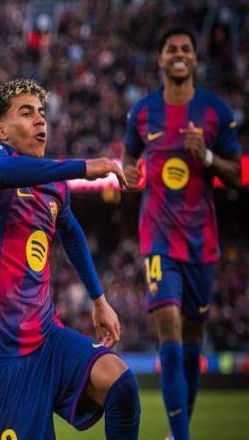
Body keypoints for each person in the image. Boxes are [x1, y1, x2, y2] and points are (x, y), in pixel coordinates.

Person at [0, 79, 141, 440]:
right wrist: (81, 167)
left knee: (120, 384)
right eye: (26, 113)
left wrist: (99, 300)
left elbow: (72, 233)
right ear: (1, 130)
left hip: (47, 338)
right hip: (1, 353)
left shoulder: (54, 186)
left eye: (42, 113)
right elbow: (1, 173)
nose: (40, 120)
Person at [122, 27, 241, 440]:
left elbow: (237, 173)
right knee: (169, 328)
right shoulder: (142, 112)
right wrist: (130, 173)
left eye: (185, 49)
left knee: (192, 339)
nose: (179, 54)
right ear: (160, 59)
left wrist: (206, 155)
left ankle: (177, 432)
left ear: (194, 58)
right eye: (171, 48)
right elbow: (129, 158)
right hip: (158, 239)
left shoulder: (214, 111)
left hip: (201, 242)